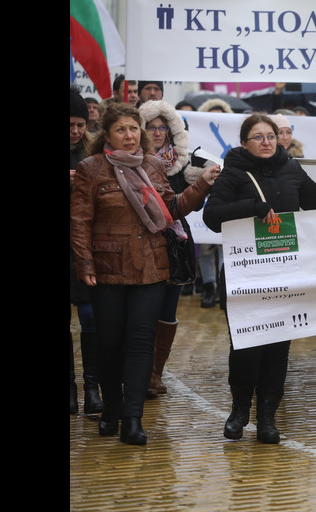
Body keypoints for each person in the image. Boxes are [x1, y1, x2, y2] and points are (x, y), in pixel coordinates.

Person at [202, 113, 316, 444]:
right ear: (244, 143)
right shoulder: (233, 171)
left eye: (271, 136)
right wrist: (252, 207)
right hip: (246, 275)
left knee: (278, 347)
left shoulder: (291, 168)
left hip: (285, 273)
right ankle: (239, 411)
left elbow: (313, 202)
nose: (266, 142)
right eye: (258, 137)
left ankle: (268, 417)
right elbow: (212, 217)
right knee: (246, 345)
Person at [70, 102, 214, 445]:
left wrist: (203, 185)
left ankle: (132, 419)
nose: (130, 135)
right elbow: (79, 222)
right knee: (108, 343)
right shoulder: (91, 168)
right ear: (107, 134)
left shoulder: (152, 165)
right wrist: (84, 263)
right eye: (121, 129)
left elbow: (172, 209)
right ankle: (111, 409)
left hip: (151, 267)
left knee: (140, 342)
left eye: (134, 128)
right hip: (106, 270)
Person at [138, 100, 220, 397]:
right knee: (143, 310)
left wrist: (206, 182)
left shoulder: (181, 164)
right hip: (142, 243)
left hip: (175, 244)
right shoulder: (130, 162)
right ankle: (139, 371)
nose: (158, 133)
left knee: (168, 310)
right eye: (152, 127)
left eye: (163, 128)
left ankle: (155, 373)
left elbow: (189, 204)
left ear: (171, 131)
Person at [70, 85, 103, 416]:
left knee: (91, 320)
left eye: (80, 124)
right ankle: (70, 388)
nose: (76, 131)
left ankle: (93, 387)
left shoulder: (92, 156)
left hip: (86, 249)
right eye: (70, 125)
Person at [195, 98, 235, 307]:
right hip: (205, 190)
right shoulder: (198, 137)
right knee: (204, 248)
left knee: (222, 247)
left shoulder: (232, 143)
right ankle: (208, 286)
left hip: (226, 194)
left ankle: (222, 287)